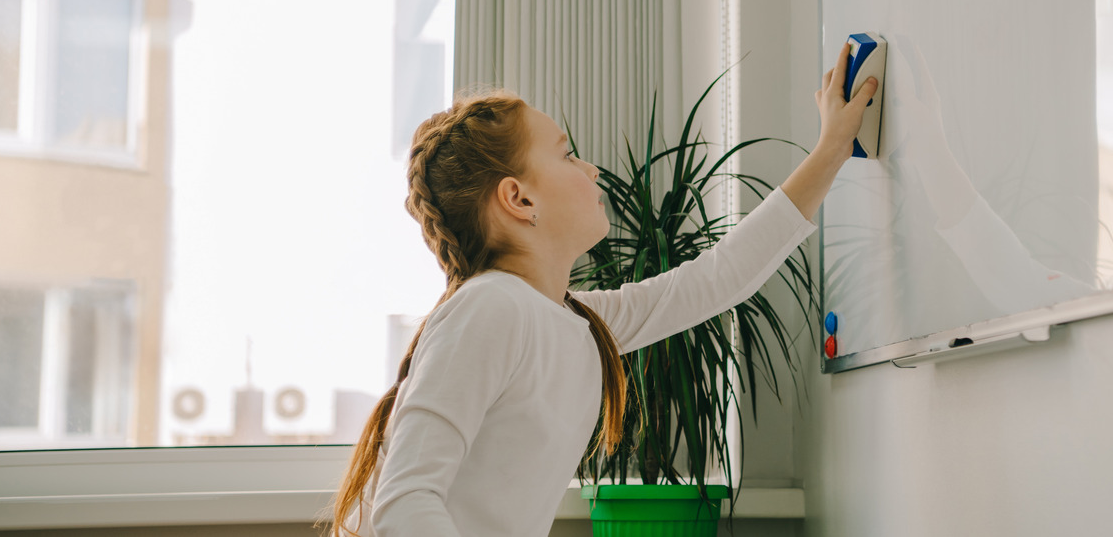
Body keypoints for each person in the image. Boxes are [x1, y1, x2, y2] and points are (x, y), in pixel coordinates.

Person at [330, 43, 879, 537]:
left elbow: (719, 278)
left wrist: (831, 149)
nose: (590, 169)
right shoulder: (489, 308)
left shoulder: (570, 321)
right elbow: (404, 506)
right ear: (519, 200)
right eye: (567, 155)